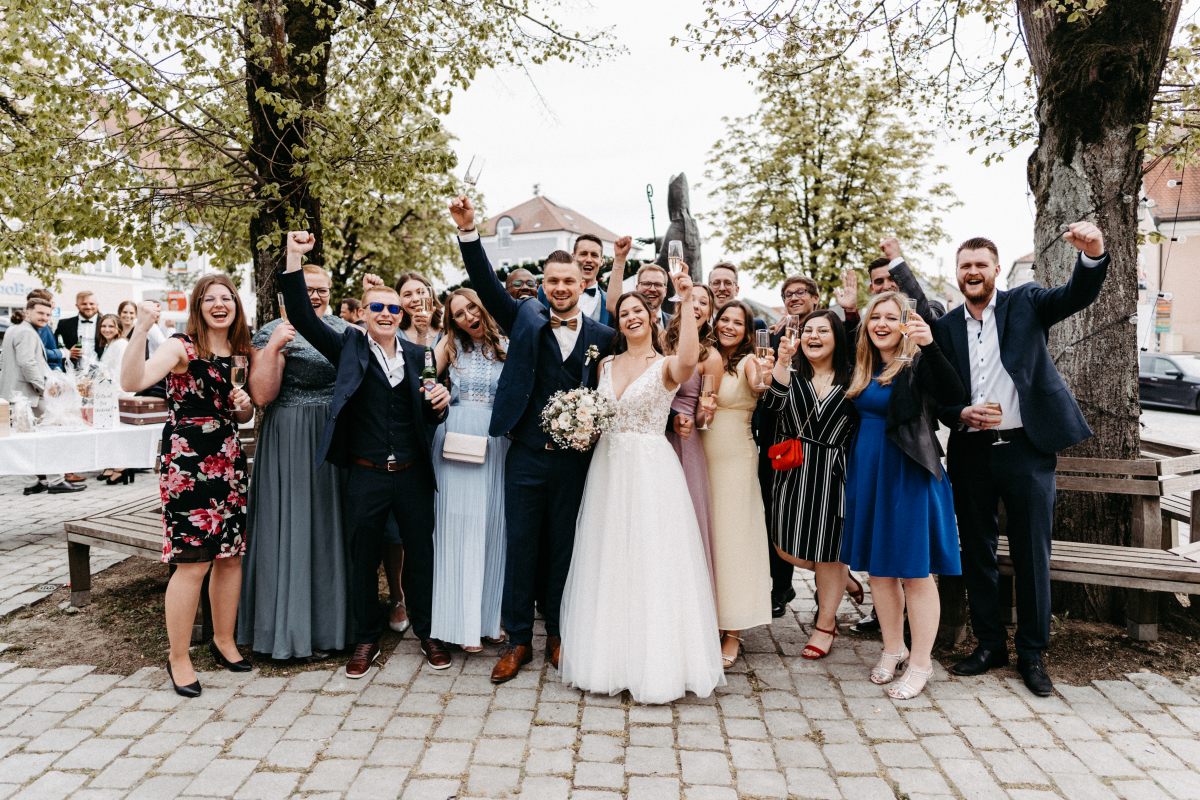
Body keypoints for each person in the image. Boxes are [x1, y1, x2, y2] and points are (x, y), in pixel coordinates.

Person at [933, 223, 1108, 697]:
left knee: (1033, 552)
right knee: (978, 550)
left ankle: (1032, 654)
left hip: (1027, 450)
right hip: (971, 451)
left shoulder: (1026, 302)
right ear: (958, 273)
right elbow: (938, 394)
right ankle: (989, 644)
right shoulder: (946, 327)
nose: (972, 272)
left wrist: (1093, 254)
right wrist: (960, 414)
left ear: (994, 271)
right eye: (965, 266)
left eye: (980, 265)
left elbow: (1075, 295)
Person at [450, 194, 615, 684]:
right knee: (521, 546)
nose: (561, 288)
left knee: (565, 547)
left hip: (575, 462)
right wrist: (468, 232)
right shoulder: (523, 317)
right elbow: (482, 282)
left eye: (570, 281)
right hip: (523, 455)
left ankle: (560, 635)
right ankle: (519, 639)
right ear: (543, 285)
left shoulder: (603, 336)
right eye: (553, 281)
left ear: (584, 283)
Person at [281, 232, 451, 676]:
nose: (387, 313)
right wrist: (295, 256)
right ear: (363, 313)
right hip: (366, 473)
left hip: (413, 474)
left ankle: (427, 633)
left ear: (403, 314)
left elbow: (426, 415)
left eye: (394, 308)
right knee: (363, 559)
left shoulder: (420, 355)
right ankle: (365, 639)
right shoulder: (349, 347)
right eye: (378, 307)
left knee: (420, 555)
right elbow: (301, 312)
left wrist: (438, 404)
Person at [561, 268, 724, 703]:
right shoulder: (605, 364)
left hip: (652, 469)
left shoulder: (666, 366)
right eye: (624, 313)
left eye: (639, 311)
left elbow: (690, 358)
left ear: (653, 318)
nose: (631, 317)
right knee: (610, 556)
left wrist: (687, 299)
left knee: (653, 558)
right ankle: (608, 659)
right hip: (609, 468)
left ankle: (659, 663)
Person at [120, 279, 255, 698]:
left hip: (229, 459)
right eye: (210, 299)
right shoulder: (182, 347)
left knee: (229, 558)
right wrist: (141, 328)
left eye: (226, 297)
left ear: (236, 305)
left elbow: (243, 410)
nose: (219, 304)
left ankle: (224, 641)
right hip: (189, 463)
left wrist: (244, 406)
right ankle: (178, 657)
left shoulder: (239, 352)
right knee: (193, 561)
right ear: (198, 307)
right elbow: (132, 380)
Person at [841, 291, 963, 700]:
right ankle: (893, 648)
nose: (881, 324)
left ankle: (921, 662)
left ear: (904, 324)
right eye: (876, 317)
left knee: (915, 572)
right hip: (870, 473)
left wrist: (928, 344)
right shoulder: (862, 366)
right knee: (880, 571)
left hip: (909, 473)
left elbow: (952, 391)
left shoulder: (916, 364)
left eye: (891, 317)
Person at [238, 264, 350, 661]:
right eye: (307, 289)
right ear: (290, 294)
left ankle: (332, 627)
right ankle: (284, 627)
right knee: (289, 524)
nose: (315, 296)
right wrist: (273, 348)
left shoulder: (344, 329)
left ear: (331, 291)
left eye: (321, 289)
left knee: (327, 525)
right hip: (289, 433)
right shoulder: (272, 331)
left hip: (334, 434)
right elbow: (262, 397)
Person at [765, 310, 859, 659]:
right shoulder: (792, 373)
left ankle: (825, 624)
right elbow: (771, 404)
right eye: (808, 330)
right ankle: (841, 577)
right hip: (794, 471)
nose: (813, 336)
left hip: (834, 473)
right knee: (785, 548)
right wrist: (781, 362)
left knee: (829, 549)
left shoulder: (853, 378)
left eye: (823, 330)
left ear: (837, 337)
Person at [428, 288, 510, 652]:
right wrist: (435, 392)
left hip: (496, 440)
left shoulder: (509, 342)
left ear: (483, 306)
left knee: (493, 527)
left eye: (471, 308)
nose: (467, 318)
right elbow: (423, 374)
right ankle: (458, 626)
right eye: (458, 314)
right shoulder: (450, 344)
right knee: (458, 528)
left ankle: (488, 620)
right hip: (457, 436)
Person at [702, 300, 773, 669]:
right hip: (699, 457)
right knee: (708, 539)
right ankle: (710, 617)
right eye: (724, 319)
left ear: (747, 331)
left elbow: (761, 384)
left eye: (738, 322)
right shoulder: (707, 354)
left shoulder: (749, 361)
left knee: (733, 541)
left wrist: (768, 373)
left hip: (734, 461)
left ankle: (734, 629)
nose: (729, 326)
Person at [663, 283, 722, 579]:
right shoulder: (660, 343)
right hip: (656, 436)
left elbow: (703, 416)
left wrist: (703, 413)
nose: (696, 306)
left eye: (703, 302)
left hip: (686, 440)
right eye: (691, 299)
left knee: (686, 517)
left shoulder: (710, 356)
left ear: (710, 312)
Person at [0, 297, 85, 495]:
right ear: (27, 311)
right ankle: (56, 481)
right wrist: (44, 388)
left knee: (25, 440)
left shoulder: (15, 329)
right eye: (40, 313)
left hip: (16, 394)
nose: (45, 317)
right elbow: (27, 363)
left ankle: (32, 483)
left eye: (47, 314)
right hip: (28, 395)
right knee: (51, 436)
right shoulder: (26, 332)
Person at [871, 238, 946, 320]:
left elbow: (925, 318)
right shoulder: (868, 320)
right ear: (872, 288)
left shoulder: (934, 308)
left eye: (893, 279)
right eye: (879, 281)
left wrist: (895, 260)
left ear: (903, 279)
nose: (886, 286)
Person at [57, 290, 100, 364]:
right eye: (84, 304)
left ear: (97, 305)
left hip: (100, 371)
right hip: (71, 371)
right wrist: (67, 352)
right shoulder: (64, 324)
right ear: (77, 305)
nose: (88, 307)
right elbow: (56, 345)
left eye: (91, 304)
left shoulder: (106, 325)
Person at [28, 290, 65, 372]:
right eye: (52, 302)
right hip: (47, 372)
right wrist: (62, 353)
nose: (54, 305)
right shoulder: (40, 326)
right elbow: (40, 352)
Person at [635, 263, 671, 328]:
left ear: (665, 291)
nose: (652, 289)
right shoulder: (629, 321)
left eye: (658, 284)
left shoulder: (676, 323)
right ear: (637, 288)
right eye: (646, 284)